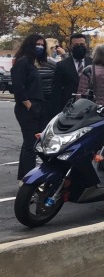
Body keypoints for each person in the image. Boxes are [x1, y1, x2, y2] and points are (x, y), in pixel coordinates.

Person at [11, 34, 49, 182]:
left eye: (42, 45)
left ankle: (26, 177)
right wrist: (28, 104)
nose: (40, 47)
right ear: (30, 45)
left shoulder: (32, 63)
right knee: (30, 145)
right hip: (27, 107)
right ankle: (27, 179)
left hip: (37, 105)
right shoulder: (22, 62)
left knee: (34, 143)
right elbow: (18, 85)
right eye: (37, 44)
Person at [48, 33, 91, 117]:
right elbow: (56, 89)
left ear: (86, 45)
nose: (79, 47)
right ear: (70, 46)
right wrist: (56, 111)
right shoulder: (61, 65)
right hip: (68, 106)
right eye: (76, 45)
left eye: (82, 44)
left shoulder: (93, 63)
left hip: (89, 106)